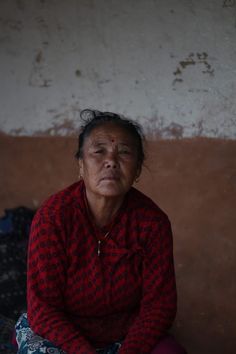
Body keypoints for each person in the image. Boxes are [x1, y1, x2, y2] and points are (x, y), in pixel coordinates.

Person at [15, 109, 187, 354]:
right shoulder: (54, 217)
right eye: (99, 151)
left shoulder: (152, 223)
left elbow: (159, 306)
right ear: (81, 165)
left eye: (125, 152)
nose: (111, 161)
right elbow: (43, 309)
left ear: (137, 170)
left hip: (126, 335)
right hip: (60, 335)